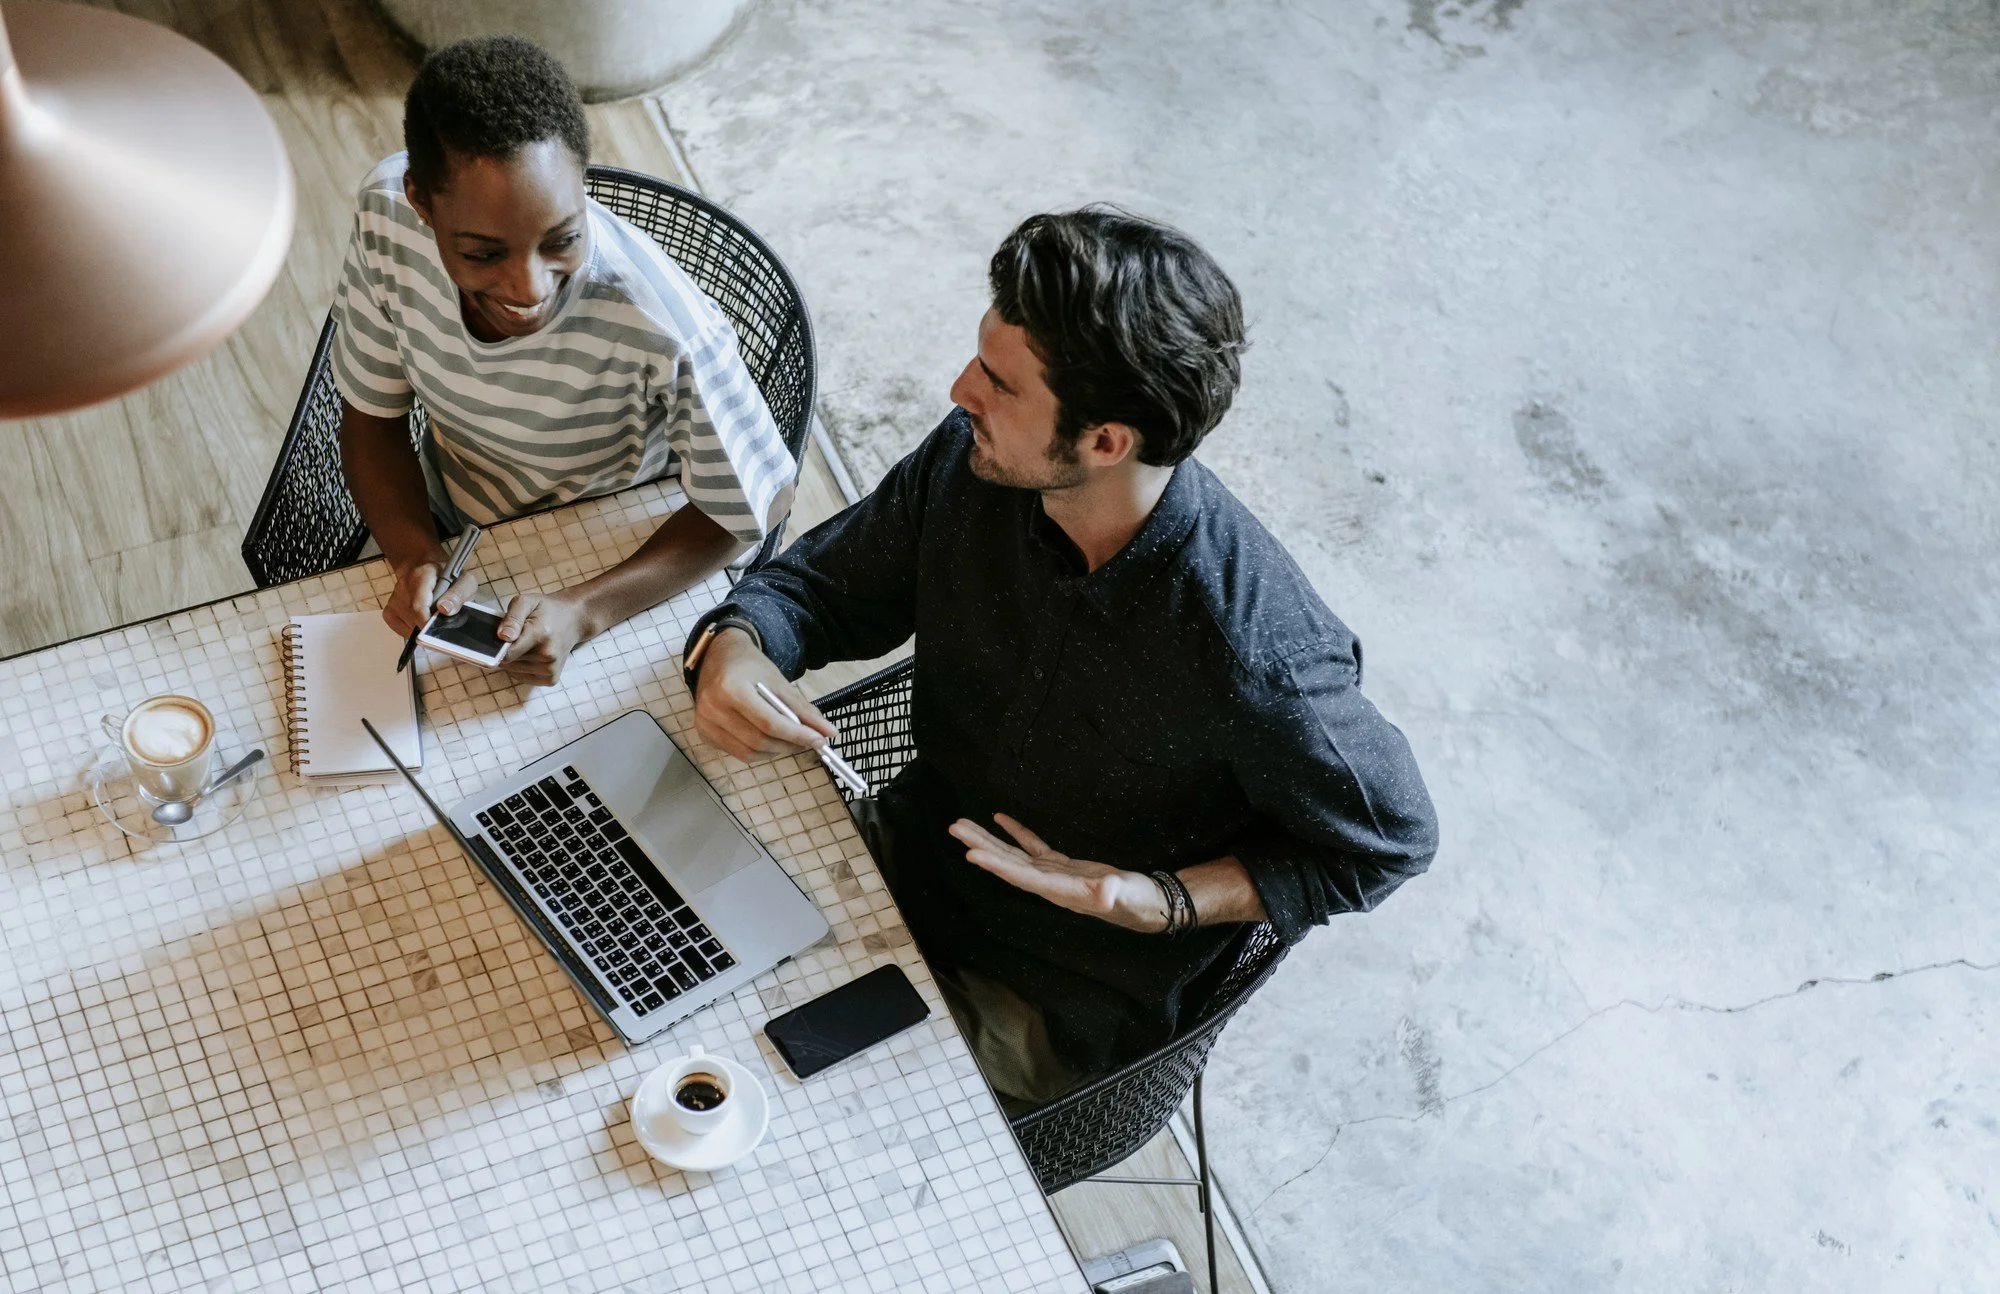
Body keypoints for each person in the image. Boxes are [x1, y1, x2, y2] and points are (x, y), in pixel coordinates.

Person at [683, 208, 1439, 1107]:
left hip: (1052, 991)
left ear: (1105, 441)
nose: (960, 390)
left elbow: (1390, 842)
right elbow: (821, 589)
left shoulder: (1259, 656)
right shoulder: (974, 462)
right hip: (901, 861)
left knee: (794, 1122)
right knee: (664, 983)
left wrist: (1157, 900)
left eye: (999, 384)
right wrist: (738, 643)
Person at [331, 36, 794, 685]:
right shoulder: (385, 216)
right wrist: (414, 556)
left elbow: (755, 505)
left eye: (562, 239)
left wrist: (585, 610)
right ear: (420, 202)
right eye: (482, 253)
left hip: (613, 558)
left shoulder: (666, 328)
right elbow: (371, 420)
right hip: (454, 530)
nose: (529, 288)